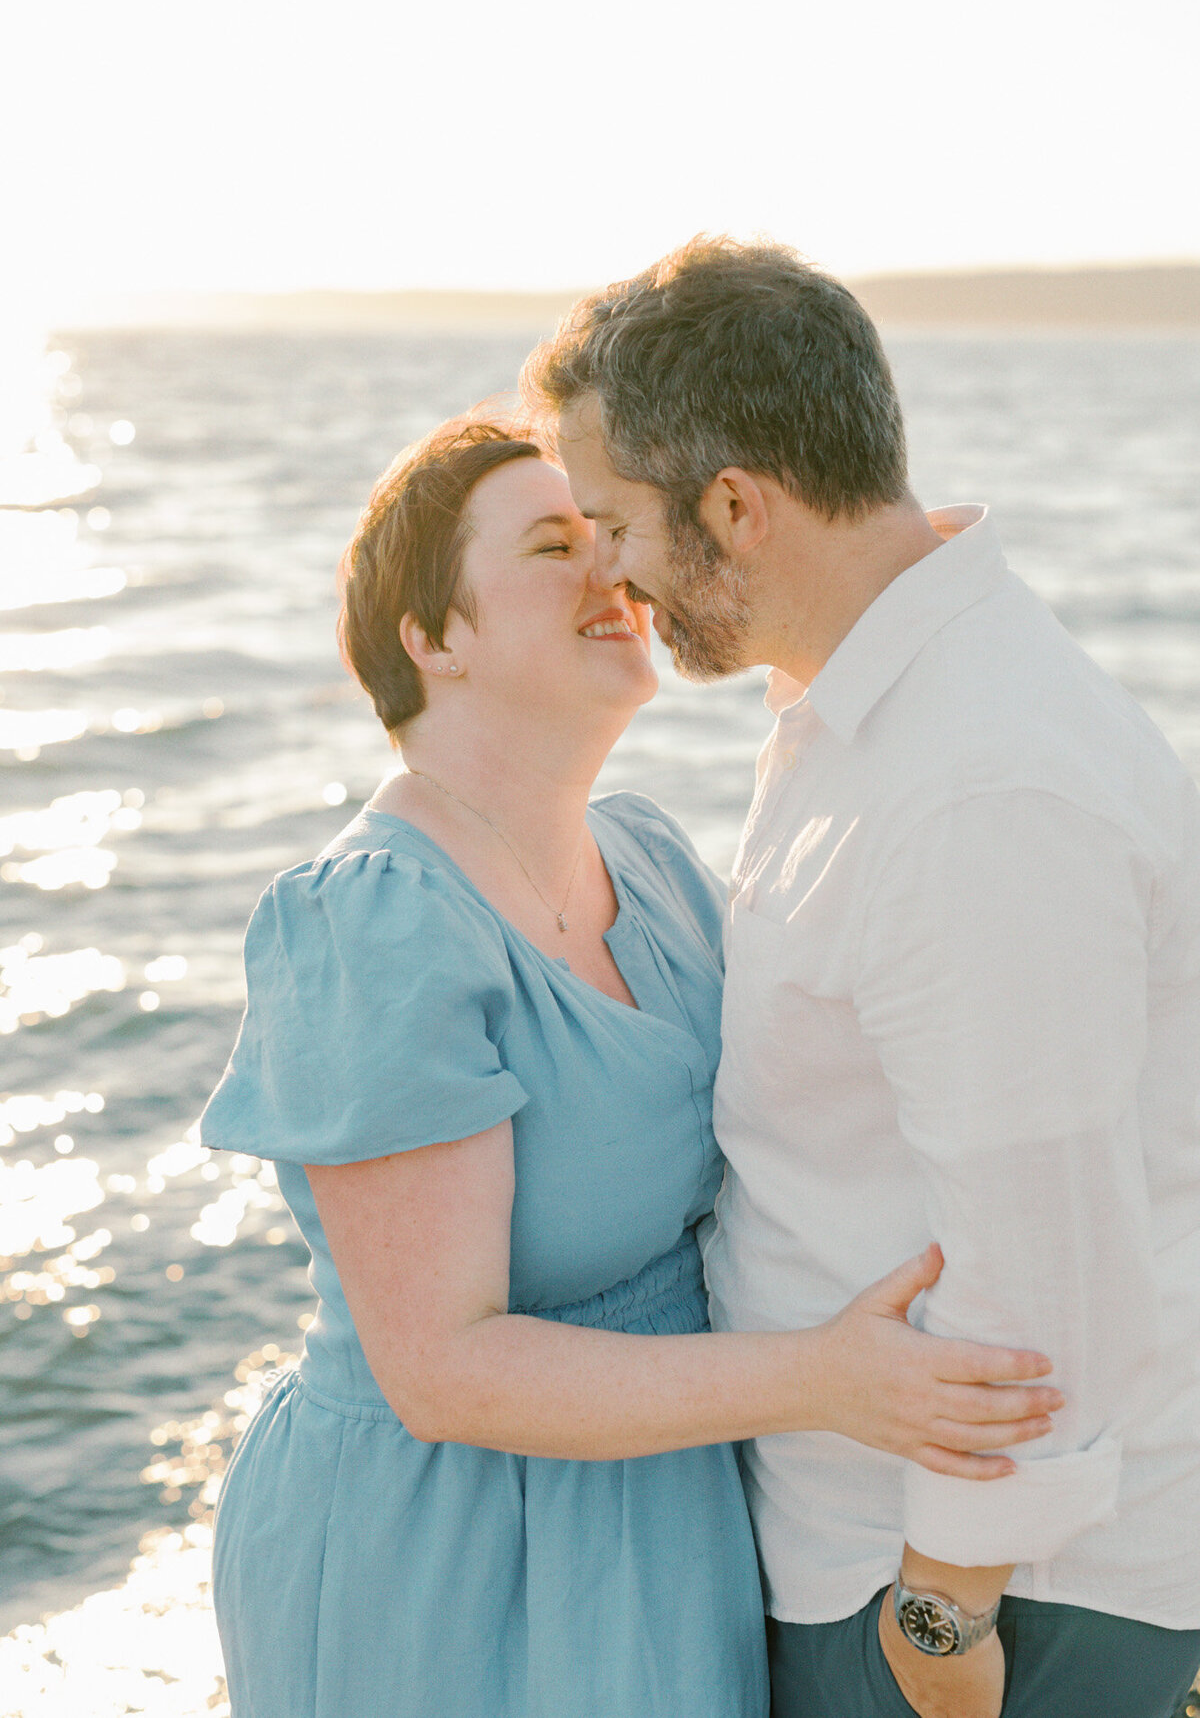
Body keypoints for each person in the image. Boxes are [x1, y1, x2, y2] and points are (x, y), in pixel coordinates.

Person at [199, 417, 1060, 1718]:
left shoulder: (651, 860)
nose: (612, 570)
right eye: (552, 545)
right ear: (434, 638)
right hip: (444, 1547)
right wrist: (831, 1380)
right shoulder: (372, 920)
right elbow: (442, 1370)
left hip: (671, 1511)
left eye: (609, 534)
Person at [532, 234, 1200, 1718]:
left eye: (615, 523)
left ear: (734, 507)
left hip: (992, 1601)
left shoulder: (978, 789)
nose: (611, 575)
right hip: (885, 1555)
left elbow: (1047, 1266)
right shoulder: (873, 716)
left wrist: (939, 1622)